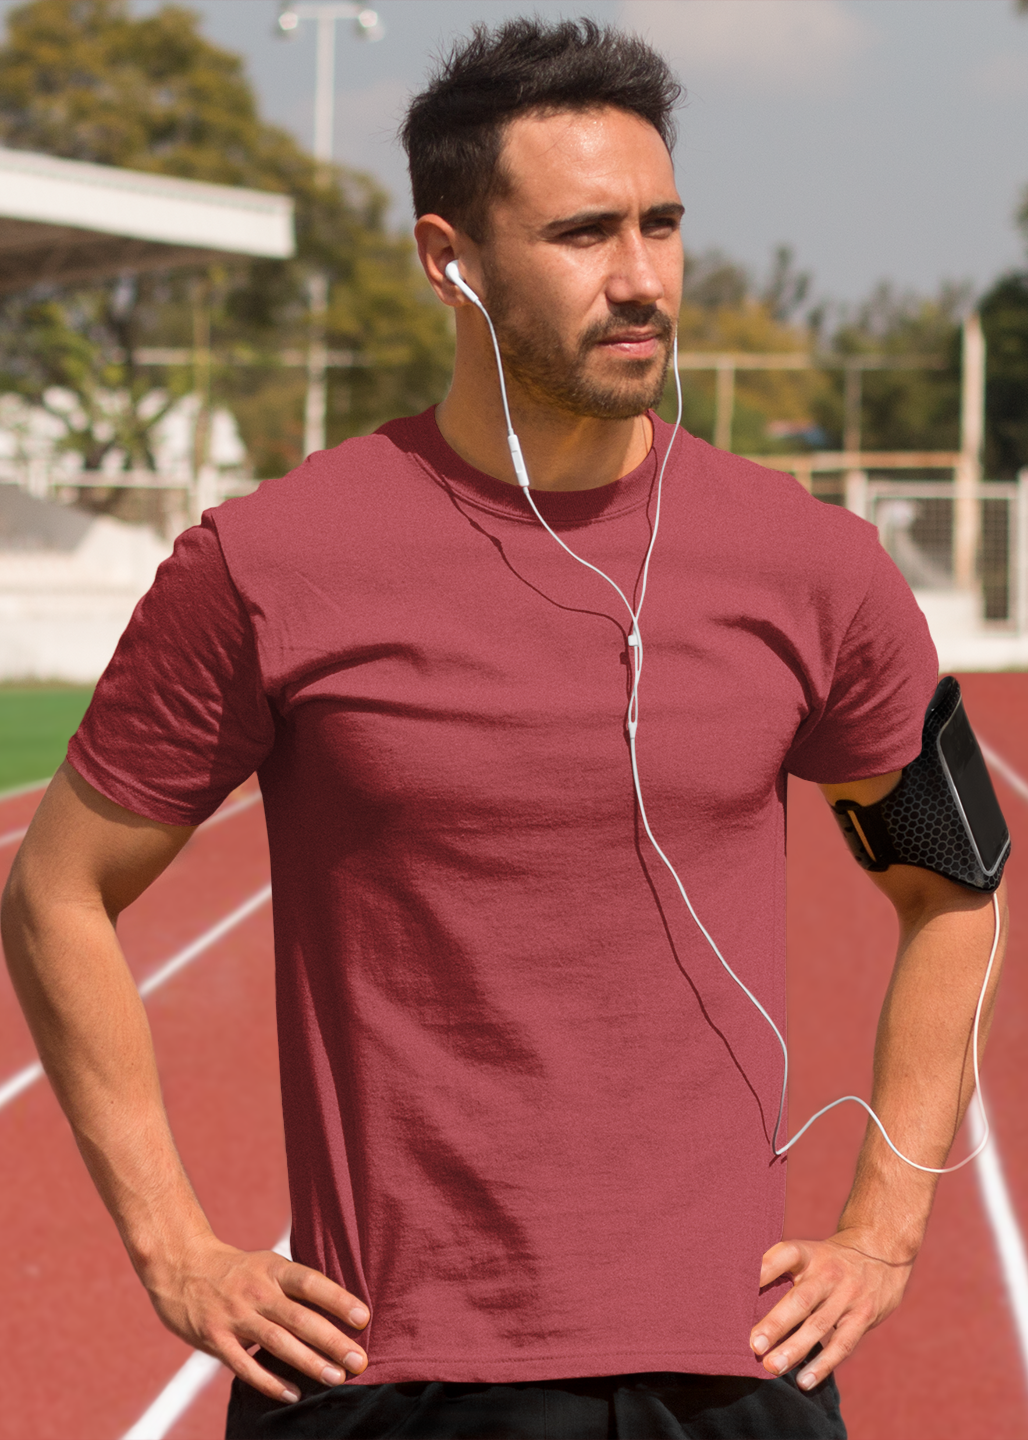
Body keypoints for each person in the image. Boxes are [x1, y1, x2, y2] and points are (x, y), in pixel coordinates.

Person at [1, 18, 1007, 1440]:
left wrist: (888, 1227)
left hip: (719, 1375)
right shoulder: (271, 563)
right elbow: (56, 893)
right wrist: (177, 1247)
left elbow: (953, 881)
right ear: (448, 259)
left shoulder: (811, 567)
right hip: (383, 1378)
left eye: (661, 224)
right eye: (585, 233)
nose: (642, 276)